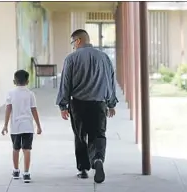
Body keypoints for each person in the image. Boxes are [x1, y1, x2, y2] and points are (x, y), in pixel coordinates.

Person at [56, 29, 118, 184]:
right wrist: (111, 103)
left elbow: (65, 83)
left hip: (78, 104)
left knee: (80, 136)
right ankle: (97, 159)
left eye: (72, 43)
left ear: (77, 41)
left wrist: (63, 105)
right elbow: (110, 81)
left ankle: (83, 169)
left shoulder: (71, 59)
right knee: (98, 135)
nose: (73, 47)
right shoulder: (104, 57)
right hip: (99, 104)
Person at [1, 69, 42, 183]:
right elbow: (34, 110)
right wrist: (38, 125)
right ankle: (27, 173)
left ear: (14, 81)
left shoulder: (10, 93)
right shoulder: (30, 94)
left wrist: (5, 125)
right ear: (27, 81)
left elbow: (8, 109)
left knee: (15, 149)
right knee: (27, 149)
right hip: (28, 126)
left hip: (15, 127)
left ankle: (15, 170)